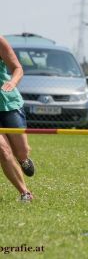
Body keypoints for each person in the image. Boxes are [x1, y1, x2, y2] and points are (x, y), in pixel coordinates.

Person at [0, 35, 35, 201]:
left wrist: (12, 83)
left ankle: (23, 159)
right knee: (3, 150)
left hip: (8, 102)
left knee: (21, 151)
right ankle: (25, 193)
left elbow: (17, 68)